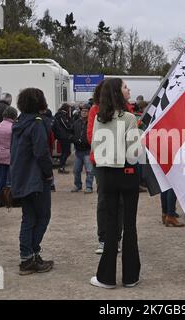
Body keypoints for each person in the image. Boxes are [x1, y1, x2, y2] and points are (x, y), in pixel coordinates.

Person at [90, 78, 142, 289]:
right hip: (128, 175)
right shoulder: (129, 117)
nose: (128, 89)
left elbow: (95, 147)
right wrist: (139, 134)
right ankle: (130, 276)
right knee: (129, 225)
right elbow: (134, 152)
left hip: (107, 174)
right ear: (117, 93)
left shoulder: (99, 118)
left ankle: (106, 277)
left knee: (111, 225)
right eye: (124, 86)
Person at [10, 88, 54, 275]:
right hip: (36, 178)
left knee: (29, 218)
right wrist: (48, 173)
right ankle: (30, 255)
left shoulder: (19, 122)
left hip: (21, 177)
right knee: (43, 216)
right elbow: (41, 152)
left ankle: (28, 257)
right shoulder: (37, 124)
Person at [88, 82, 124, 255]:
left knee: (120, 203)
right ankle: (103, 239)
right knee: (104, 201)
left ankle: (116, 237)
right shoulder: (95, 111)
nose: (128, 90)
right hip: (102, 162)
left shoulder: (127, 112)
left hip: (122, 162)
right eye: (125, 87)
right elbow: (91, 137)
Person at [0, 107, 18, 208]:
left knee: (1, 178)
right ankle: (9, 200)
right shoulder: (12, 127)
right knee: (10, 179)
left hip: (1, 154)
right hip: (10, 154)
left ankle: (0, 199)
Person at [71, 103, 94, 194]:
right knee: (76, 170)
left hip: (87, 150)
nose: (84, 113)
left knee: (89, 170)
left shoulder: (91, 123)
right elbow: (72, 132)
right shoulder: (76, 122)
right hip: (78, 151)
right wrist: (73, 138)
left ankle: (89, 186)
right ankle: (77, 185)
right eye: (82, 111)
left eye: (86, 111)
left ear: (89, 112)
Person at [54, 103, 73, 174]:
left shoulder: (61, 114)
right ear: (66, 108)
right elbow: (66, 125)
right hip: (64, 136)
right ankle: (61, 167)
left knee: (66, 152)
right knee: (66, 152)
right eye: (69, 108)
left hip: (63, 136)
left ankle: (61, 166)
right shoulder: (61, 115)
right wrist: (71, 127)